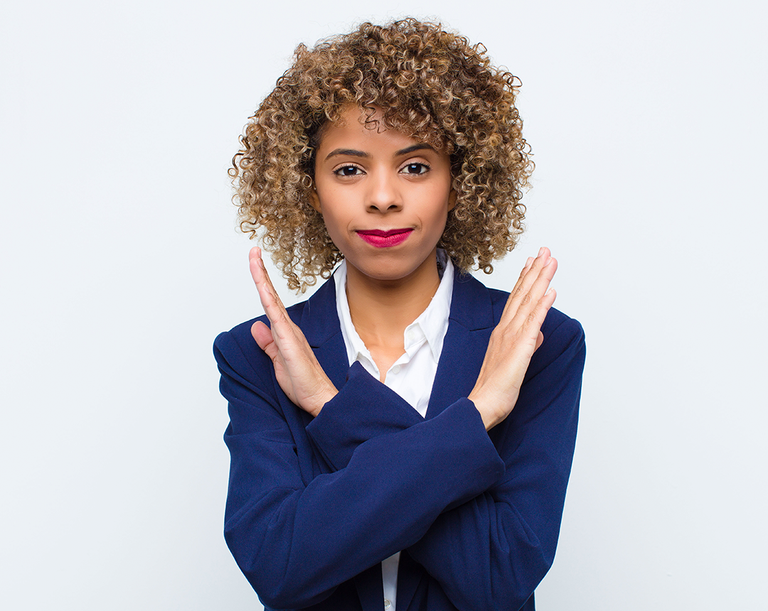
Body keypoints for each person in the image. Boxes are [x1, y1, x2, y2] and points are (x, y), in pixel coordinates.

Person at [214, 18, 586, 611]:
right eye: (349, 168)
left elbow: (500, 574)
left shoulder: (537, 346)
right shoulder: (258, 354)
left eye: (415, 166)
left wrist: (335, 412)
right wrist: (478, 413)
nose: (383, 197)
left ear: (459, 182)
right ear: (309, 186)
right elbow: (279, 565)